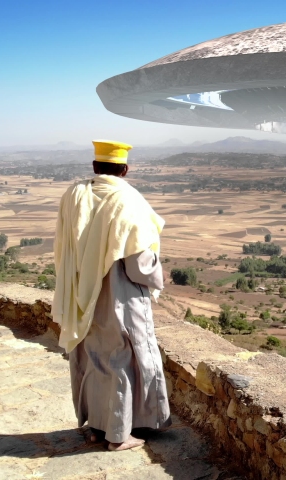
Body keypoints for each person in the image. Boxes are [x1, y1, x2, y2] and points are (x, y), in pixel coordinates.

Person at [53, 140, 171, 451]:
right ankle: (119, 435)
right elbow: (139, 262)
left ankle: (96, 426)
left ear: (95, 167)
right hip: (119, 291)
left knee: (93, 356)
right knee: (122, 356)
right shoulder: (127, 200)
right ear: (125, 169)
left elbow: (63, 244)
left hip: (83, 290)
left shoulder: (74, 194)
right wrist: (157, 277)